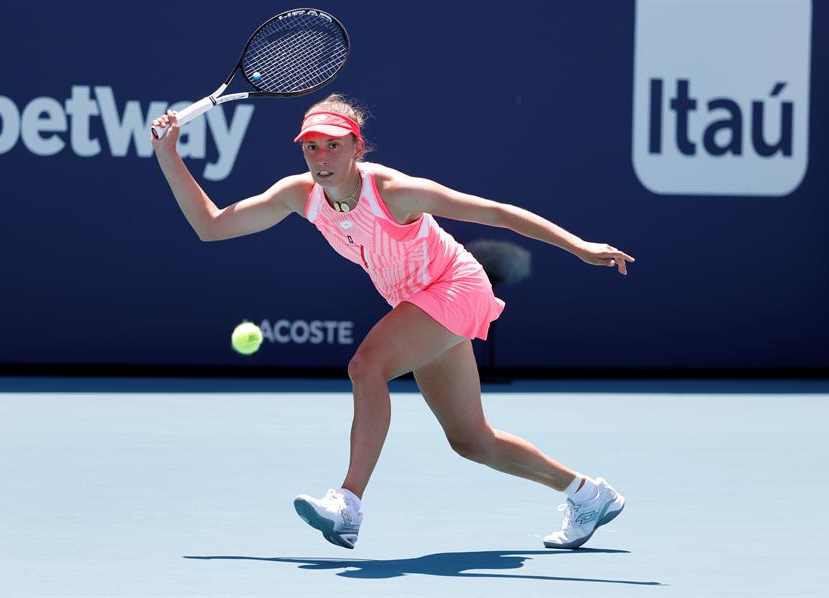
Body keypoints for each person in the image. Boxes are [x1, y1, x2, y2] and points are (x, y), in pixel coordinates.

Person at [151, 94, 634, 550]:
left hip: (456, 286)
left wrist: (579, 246)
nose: (322, 158)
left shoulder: (396, 193)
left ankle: (348, 505)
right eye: (312, 148)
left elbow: (497, 213)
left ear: (357, 147)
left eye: (334, 146)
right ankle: (589, 494)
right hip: (418, 301)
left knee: (367, 366)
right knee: (471, 440)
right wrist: (168, 155)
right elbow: (211, 225)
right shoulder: (299, 195)